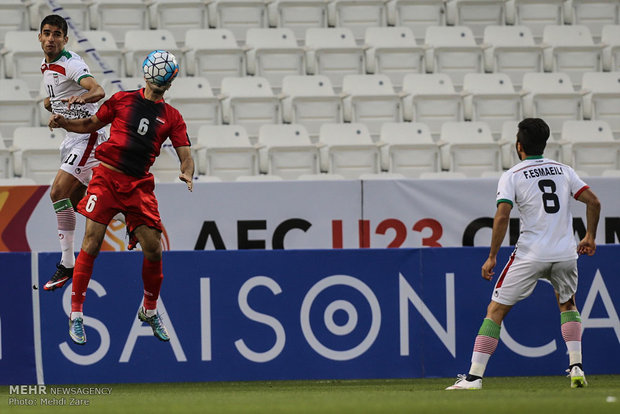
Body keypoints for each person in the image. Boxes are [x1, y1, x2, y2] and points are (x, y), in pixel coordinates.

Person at [48, 50, 194, 345]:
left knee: (154, 249)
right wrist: (65, 123)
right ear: (147, 73)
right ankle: (76, 316)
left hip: (138, 186)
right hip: (107, 178)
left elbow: (186, 154)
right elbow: (91, 125)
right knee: (92, 241)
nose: (159, 79)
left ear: (170, 80)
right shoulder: (122, 99)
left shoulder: (173, 117)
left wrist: (187, 172)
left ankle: (149, 311)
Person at [446, 118, 601, 390]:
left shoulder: (513, 175)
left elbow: (503, 215)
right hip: (565, 253)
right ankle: (576, 366)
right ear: (544, 144)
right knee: (568, 305)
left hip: (531, 253)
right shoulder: (564, 170)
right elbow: (594, 201)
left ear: (519, 146)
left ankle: (473, 378)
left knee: (495, 311)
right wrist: (589, 236)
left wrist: (492, 255)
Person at [39, 14, 107, 291]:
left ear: (65, 39)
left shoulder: (71, 63)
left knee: (58, 192)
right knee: (79, 203)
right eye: (47, 33)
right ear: (40, 37)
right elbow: (54, 96)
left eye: (57, 34)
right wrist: (52, 105)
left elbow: (98, 90)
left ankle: (67, 262)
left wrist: (83, 96)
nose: (51, 38)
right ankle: (129, 216)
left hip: (89, 136)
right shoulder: (46, 65)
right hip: (73, 136)